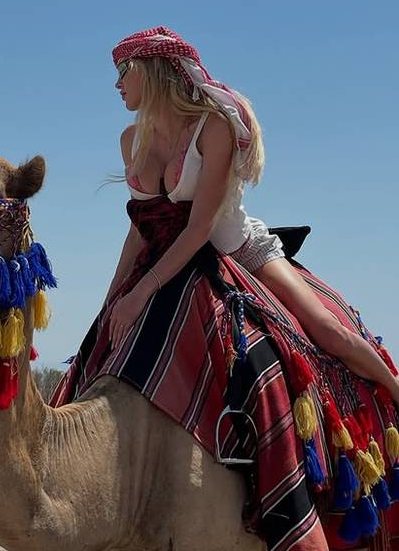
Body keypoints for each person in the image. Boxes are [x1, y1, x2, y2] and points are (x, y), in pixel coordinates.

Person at [105, 26, 399, 405]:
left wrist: (142, 290)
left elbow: (200, 228)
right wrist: (113, 297)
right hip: (164, 259)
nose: (117, 84)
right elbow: (138, 230)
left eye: (122, 70)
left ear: (150, 69)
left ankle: (393, 391)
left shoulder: (213, 128)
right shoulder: (131, 140)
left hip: (237, 250)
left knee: (327, 330)